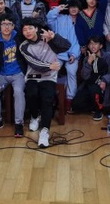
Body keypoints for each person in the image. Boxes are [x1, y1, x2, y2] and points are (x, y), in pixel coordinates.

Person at [19, 17, 71, 148]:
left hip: (48, 77)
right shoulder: (23, 46)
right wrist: (49, 66)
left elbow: (66, 46)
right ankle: (35, 116)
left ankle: (44, 131)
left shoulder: (47, 39)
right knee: (31, 94)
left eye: (30, 28)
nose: (27, 32)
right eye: (24, 29)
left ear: (36, 29)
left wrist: (54, 37)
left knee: (47, 99)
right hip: (33, 75)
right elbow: (33, 63)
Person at [0, 13, 26, 136]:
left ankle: (19, 123)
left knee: (18, 92)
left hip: (18, 74)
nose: (6, 27)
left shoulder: (19, 37)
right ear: (0, 25)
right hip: (2, 75)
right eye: (4, 24)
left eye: (9, 24)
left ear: (13, 26)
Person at [71, 35, 110, 120]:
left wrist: (105, 80)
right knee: (76, 104)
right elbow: (85, 76)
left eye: (95, 43)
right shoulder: (87, 58)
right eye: (90, 44)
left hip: (104, 85)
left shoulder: (108, 56)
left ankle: (99, 110)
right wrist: (89, 62)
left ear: (100, 46)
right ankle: (94, 106)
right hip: (90, 84)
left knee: (94, 89)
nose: (93, 46)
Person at [47, 1, 81, 113]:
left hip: (73, 53)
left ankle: (70, 100)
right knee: (52, 71)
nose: (73, 9)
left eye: (76, 7)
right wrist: (57, 9)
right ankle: (51, 97)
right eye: (71, 7)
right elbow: (49, 19)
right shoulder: (60, 18)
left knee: (72, 72)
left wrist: (74, 54)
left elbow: (78, 41)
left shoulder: (81, 21)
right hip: (58, 52)